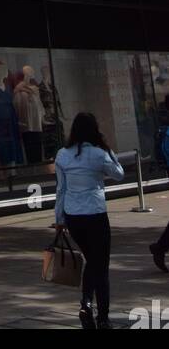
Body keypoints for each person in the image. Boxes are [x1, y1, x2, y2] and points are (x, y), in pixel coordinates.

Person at [54, 112, 124, 330]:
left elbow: (61, 189)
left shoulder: (63, 155)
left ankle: (86, 304)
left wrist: (59, 218)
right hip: (95, 214)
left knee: (92, 261)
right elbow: (119, 173)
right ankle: (102, 317)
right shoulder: (98, 153)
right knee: (100, 265)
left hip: (73, 216)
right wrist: (108, 149)